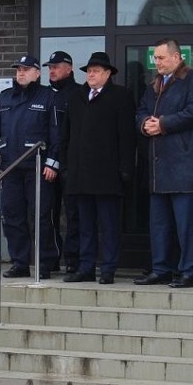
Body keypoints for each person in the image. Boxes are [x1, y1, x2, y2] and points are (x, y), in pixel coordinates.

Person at [134, 38, 193, 288]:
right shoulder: (154, 84)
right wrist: (145, 123)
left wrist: (163, 124)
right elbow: (141, 110)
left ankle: (188, 271)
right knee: (159, 225)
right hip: (158, 168)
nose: (157, 62)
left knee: (184, 226)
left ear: (177, 57)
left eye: (161, 58)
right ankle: (161, 269)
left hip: (184, 167)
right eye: (155, 58)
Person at [59, 51, 136, 284]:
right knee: (84, 225)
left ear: (107, 73)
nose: (91, 75)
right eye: (89, 71)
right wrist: (65, 166)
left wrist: (125, 168)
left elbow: (127, 136)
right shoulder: (76, 96)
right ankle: (86, 267)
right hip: (80, 174)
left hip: (108, 174)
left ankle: (109, 268)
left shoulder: (121, 96)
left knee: (110, 225)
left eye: (95, 71)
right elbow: (66, 134)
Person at [0, 54, 60, 279]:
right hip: (10, 169)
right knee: (13, 216)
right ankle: (20, 263)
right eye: (18, 69)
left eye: (26, 69)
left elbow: (56, 133)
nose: (21, 73)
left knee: (41, 217)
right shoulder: (5, 97)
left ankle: (44, 264)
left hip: (38, 168)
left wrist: (52, 162)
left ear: (37, 73)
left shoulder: (48, 96)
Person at [44, 50, 81, 274]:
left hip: (70, 164)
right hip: (47, 165)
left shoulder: (78, 94)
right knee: (49, 214)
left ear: (69, 68)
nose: (52, 70)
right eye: (50, 67)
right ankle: (51, 258)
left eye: (57, 66)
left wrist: (59, 161)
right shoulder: (45, 95)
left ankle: (74, 261)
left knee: (74, 214)